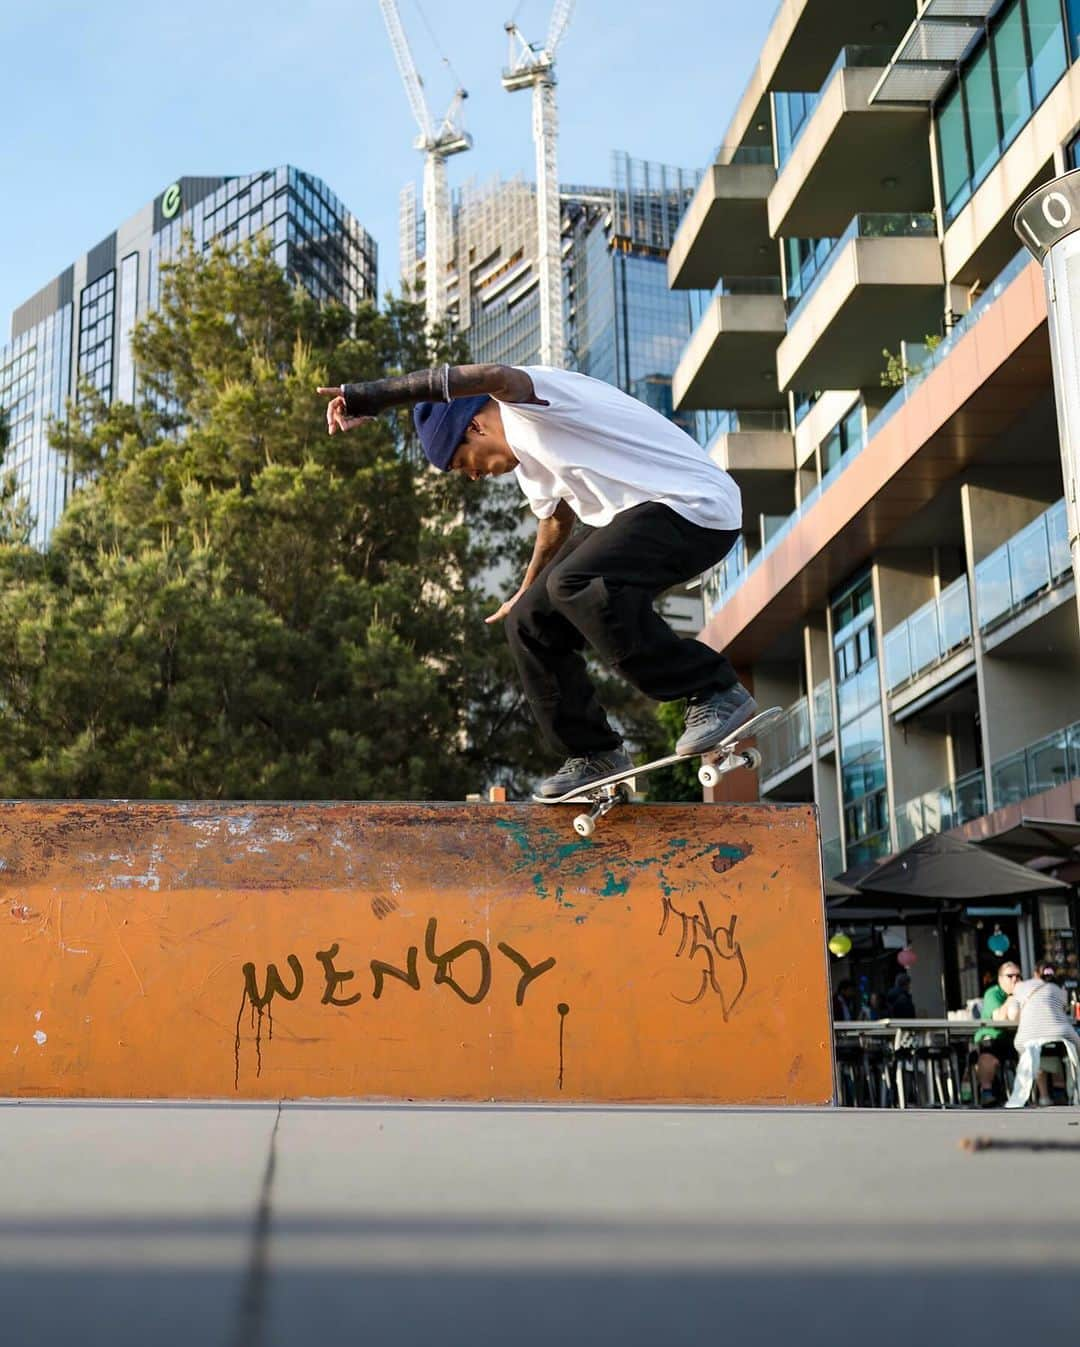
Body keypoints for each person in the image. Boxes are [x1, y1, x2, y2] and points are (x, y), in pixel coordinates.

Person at [317, 363, 755, 797]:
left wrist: (371, 394)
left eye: (463, 464)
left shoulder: (528, 403)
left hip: (696, 508)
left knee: (573, 583)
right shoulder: (531, 463)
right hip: (646, 519)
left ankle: (713, 690)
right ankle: (593, 752)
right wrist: (526, 591)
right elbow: (555, 522)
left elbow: (492, 376)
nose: (473, 476)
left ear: (475, 426)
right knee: (529, 621)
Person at [1007, 962, 1080, 1106]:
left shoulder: (1021, 987)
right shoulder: (1060, 990)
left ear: (1035, 973)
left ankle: (1043, 1096)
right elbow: (1062, 1009)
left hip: (1029, 1037)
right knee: (1066, 1049)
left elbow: (1012, 1014)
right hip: (1061, 1034)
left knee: (1033, 1048)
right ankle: (1068, 1091)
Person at [973, 960, 1021, 1107]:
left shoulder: (1025, 992)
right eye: (1010, 976)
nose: (1015, 979)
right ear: (1000, 979)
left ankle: (1052, 1091)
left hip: (1016, 1037)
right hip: (994, 1036)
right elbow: (999, 1018)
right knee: (988, 1054)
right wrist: (1011, 998)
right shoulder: (993, 994)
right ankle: (986, 1092)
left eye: (1018, 976)